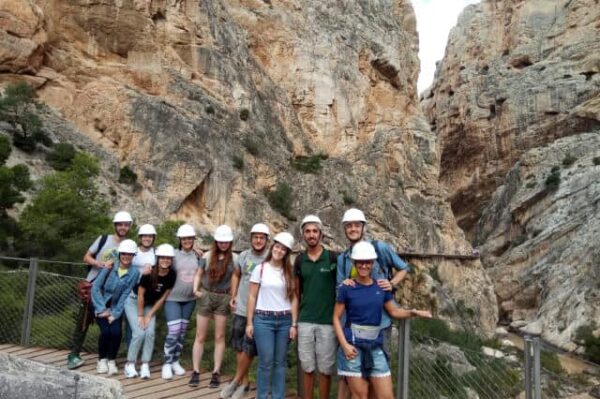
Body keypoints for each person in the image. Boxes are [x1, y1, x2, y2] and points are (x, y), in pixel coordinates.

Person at [333, 241, 432, 399]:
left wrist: (413, 312)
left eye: (367, 262)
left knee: (386, 396)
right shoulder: (346, 288)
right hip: (352, 348)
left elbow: (393, 311)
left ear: (373, 263)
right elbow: (336, 318)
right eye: (360, 262)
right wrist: (344, 345)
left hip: (375, 347)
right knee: (360, 395)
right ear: (354, 263)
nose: (364, 266)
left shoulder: (381, 287)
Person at [336, 208, 410, 398]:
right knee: (356, 381)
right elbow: (341, 289)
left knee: (378, 380)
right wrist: (344, 284)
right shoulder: (343, 259)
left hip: (381, 325)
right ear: (345, 229)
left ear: (363, 227)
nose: (353, 229)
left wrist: (392, 283)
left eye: (356, 225)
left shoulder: (380, 248)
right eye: (349, 226)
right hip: (354, 328)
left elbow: (404, 268)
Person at [67, 210, 133, 370]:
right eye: (120, 224)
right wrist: (100, 264)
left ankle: (107, 358)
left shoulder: (128, 245)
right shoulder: (104, 239)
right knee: (84, 320)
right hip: (93, 286)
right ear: (115, 225)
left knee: (111, 325)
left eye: (126, 225)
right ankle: (73, 355)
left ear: (129, 226)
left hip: (112, 291)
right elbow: (86, 257)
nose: (123, 227)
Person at [220, 223, 270, 399]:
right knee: (239, 347)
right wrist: (233, 294)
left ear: (266, 240)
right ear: (251, 239)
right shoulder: (243, 256)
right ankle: (244, 383)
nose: (258, 240)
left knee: (249, 349)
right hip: (241, 307)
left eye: (261, 238)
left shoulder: (270, 258)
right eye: (255, 237)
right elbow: (236, 274)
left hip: (259, 310)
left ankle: (236, 380)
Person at [246, 232, 298, 399]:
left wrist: (294, 324)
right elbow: (252, 296)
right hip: (263, 319)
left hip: (284, 320)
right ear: (272, 247)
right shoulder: (260, 269)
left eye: (283, 249)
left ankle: (277, 396)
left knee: (280, 363)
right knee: (266, 362)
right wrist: (249, 322)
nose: (279, 250)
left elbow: (295, 298)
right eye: (277, 246)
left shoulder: (289, 273)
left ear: (287, 253)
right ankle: (261, 396)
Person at [294, 215, 338, 399]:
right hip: (305, 321)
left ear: (320, 234)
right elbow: (296, 294)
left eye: (314, 231)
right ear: (303, 235)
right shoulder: (299, 260)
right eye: (307, 231)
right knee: (307, 367)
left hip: (327, 321)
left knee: (326, 369)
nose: (311, 235)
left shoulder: (333, 258)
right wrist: (294, 322)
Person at [189, 225, 237, 388]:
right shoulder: (208, 256)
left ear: (230, 242)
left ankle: (216, 372)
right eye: (221, 241)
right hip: (207, 294)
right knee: (200, 336)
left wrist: (234, 296)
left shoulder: (235, 259)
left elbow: (236, 279)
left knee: (219, 337)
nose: (223, 244)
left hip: (224, 296)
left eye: (226, 242)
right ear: (216, 241)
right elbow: (199, 273)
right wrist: (195, 289)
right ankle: (195, 371)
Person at [123, 243, 176, 378]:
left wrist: (150, 315)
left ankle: (145, 363)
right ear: (157, 258)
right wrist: (141, 316)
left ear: (171, 260)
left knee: (150, 332)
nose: (165, 260)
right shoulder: (149, 273)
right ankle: (129, 364)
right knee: (139, 333)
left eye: (168, 258)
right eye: (162, 257)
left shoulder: (171, 275)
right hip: (134, 301)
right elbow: (140, 295)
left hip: (150, 305)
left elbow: (162, 298)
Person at [92, 239, 140, 375]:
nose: (126, 256)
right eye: (124, 253)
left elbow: (125, 294)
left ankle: (111, 360)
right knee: (106, 332)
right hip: (100, 304)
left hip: (116, 307)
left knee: (116, 333)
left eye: (130, 254)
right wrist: (102, 309)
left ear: (133, 256)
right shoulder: (110, 267)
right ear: (120, 254)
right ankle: (101, 360)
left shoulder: (134, 272)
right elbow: (95, 288)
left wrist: (116, 314)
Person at [162, 223, 202, 380]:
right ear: (180, 239)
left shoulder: (198, 256)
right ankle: (166, 362)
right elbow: (161, 267)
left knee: (182, 332)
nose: (187, 240)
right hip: (172, 298)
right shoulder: (172, 255)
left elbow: (204, 273)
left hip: (189, 300)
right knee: (173, 331)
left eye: (189, 238)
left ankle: (175, 361)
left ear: (193, 239)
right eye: (184, 238)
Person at [124, 224, 157, 347]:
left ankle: (142, 358)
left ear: (153, 238)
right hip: (131, 293)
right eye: (145, 236)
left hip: (148, 295)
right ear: (140, 237)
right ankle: (130, 358)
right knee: (131, 327)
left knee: (147, 328)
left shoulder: (156, 253)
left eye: (150, 236)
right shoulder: (133, 251)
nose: (147, 239)